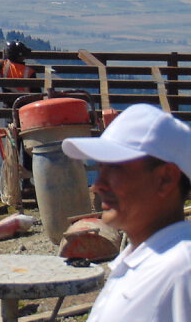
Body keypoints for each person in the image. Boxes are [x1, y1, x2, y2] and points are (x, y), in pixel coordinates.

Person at [61, 103, 191, 322]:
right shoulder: (143, 260)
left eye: (115, 168)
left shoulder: (181, 271)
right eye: (101, 168)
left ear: (166, 179)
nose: (98, 185)